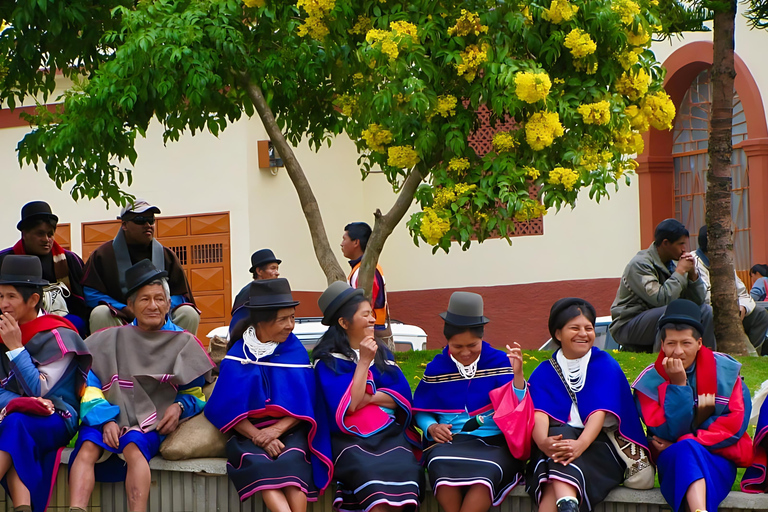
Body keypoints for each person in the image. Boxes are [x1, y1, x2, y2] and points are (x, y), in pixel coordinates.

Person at [68, 259, 215, 512]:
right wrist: (105, 420)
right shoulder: (108, 339)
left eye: (159, 299)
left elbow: (195, 394)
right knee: (88, 447)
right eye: (144, 299)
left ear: (169, 304)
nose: (153, 305)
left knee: (134, 446)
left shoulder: (185, 344)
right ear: (131, 305)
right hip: (107, 416)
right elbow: (89, 385)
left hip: (151, 422)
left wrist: (179, 407)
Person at [205, 278, 332, 509]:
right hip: (247, 434)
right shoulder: (238, 355)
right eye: (283, 319)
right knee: (264, 472)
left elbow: (307, 402)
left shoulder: (295, 351)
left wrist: (276, 430)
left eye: (292, 317)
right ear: (261, 321)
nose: (291, 325)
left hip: (290, 430)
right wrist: (258, 437)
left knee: (293, 467)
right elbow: (223, 408)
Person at [413, 292, 533, 512]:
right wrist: (431, 426)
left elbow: (516, 410)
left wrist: (517, 378)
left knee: (483, 480)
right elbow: (421, 409)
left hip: (495, 444)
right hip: (449, 444)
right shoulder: (437, 368)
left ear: (482, 338)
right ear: (447, 341)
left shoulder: (499, 362)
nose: (465, 352)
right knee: (441, 470)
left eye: (472, 345)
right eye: (457, 347)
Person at [527, 298, 649, 512]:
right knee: (559, 446)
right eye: (574, 328)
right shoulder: (544, 370)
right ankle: (568, 504)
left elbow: (599, 412)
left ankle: (568, 503)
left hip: (599, 447)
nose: (583, 333)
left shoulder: (605, 365)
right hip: (556, 448)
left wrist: (580, 445)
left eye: (589, 328)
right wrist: (543, 442)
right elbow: (539, 412)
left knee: (557, 463)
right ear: (558, 334)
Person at [633, 299, 753, 512]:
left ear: (699, 343)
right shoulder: (649, 382)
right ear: (662, 345)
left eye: (686, 343)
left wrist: (690, 440)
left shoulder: (726, 372)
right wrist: (678, 386)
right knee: (686, 453)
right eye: (671, 343)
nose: (678, 351)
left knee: (688, 450)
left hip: (719, 457)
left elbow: (733, 425)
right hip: (673, 459)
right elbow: (668, 431)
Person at [313, 281, 423, 512]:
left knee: (407, 470)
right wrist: (363, 362)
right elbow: (350, 406)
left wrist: (370, 398)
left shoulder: (382, 354)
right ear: (344, 322)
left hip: (389, 436)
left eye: (371, 314)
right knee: (370, 480)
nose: (373, 320)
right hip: (350, 440)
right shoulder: (328, 362)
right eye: (365, 315)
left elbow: (401, 398)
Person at [0, 255, 91, 512]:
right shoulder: (3, 331)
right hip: (13, 414)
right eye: (0, 296)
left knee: (16, 424)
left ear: (33, 300)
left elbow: (39, 390)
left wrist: (16, 347)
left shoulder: (59, 334)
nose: (3, 304)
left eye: (11, 297)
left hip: (57, 415)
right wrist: (17, 403)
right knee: (15, 423)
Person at [81, 198, 199, 334]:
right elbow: (91, 294)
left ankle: (181, 354)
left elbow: (180, 295)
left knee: (189, 313)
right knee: (100, 313)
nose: (148, 224)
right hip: (122, 319)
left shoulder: (166, 255)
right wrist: (126, 309)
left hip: (162, 321)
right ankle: (108, 355)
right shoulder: (103, 255)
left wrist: (157, 308)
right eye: (141, 220)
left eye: (151, 220)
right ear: (124, 225)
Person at [610, 218, 714, 352]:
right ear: (665, 243)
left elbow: (697, 300)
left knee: (706, 310)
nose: (684, 249)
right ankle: (663, 361)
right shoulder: (640, 264)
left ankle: (708, 356)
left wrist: (693, 275)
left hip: (657, 317)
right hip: (628, 324)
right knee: (671, 311)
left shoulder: (676, 262)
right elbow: (660, 299)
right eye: (680, 244)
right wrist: (680, 272)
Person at [0, 201, 90, 336]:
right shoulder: (4, 260)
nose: (46, 239)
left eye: (50, 234)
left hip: (62, 320)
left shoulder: (69, 260)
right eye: (40, 234)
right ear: (24, 234)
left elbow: (81, 302)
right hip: (13, 321)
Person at [693, 225, 768, 353]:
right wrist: (730, 309)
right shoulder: (693, 262)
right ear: (714, 243)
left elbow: (744, 294)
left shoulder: (725, 262)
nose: (731, 245)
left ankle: (749, 355)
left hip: (734, 312)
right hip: (708, 313)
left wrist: (743, 307)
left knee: (760, 314)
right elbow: (704, 298)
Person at [341, 222, 391, 346]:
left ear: (356, 242)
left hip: (370, 331)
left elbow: (366, 304)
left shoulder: (365, 270)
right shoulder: (362, 268)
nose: (341, 244)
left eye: (344, 239)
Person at [231, 248, 281, 313]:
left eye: (277, 269)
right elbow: (238, 319)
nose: (277, 273)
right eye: (273, 268)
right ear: (259, 271)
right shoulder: (248, 293)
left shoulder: (271, 290)